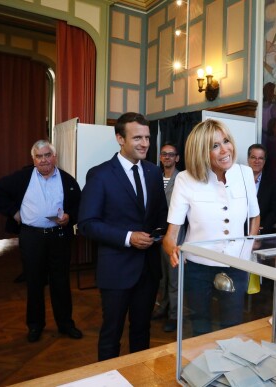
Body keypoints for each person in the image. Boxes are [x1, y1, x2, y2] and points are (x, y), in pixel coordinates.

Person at [78, 112, 168, 361]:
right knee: (112, 333)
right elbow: (86, 224)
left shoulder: (152, 172)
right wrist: (128, 237)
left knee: (142, 330)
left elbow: (160, 214)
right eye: (137, 137)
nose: (145, 143)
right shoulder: (100, 175)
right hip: (116, 270)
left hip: (148, 271)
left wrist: (162, 234)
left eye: (148, 137)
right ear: (120, 138)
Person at [163, 119, 260, 336]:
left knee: (232, 325)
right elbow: (171, 235)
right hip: (197, 267)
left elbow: (255, 216)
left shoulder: (244, 173)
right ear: (201, 152)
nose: (225, 150)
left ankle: (230, 368)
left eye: (226, 141)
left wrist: (248, 247)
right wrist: (172, 249)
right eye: (215, 146)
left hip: (236, 264)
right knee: (200, 326)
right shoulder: (185, 179)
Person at [0, 140, 82, 343]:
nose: (44, 160)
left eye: (48, 155)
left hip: (59, 237)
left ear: (54, 157)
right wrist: (14, 212)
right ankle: (35, 326)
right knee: (34, 283)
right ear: (33, 159)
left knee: (61, 283)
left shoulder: (67, 180)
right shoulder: (22, 177)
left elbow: (79, 205)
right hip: (32, 238)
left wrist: (69, 217)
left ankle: (66, 324)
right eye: (39, 156)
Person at [153, 142, 182, 332]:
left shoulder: (183, 179)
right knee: (161, 277)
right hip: (156, 236)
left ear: (177, 158)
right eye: (164, 154)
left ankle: (174, 316)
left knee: (174, 279)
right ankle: (162, 308)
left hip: (174, 238)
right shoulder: (154, 177)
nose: (167, 157)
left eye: (171, 154)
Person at [247, 144, 276, 234]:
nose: (257, 161)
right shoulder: (238, 181)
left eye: (260, 158)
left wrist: (260, 228)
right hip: (238, 232)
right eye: (253, 157)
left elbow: (275, 211)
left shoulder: (273, 184)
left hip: (261, 233)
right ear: (248, 159)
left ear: (264, 161)